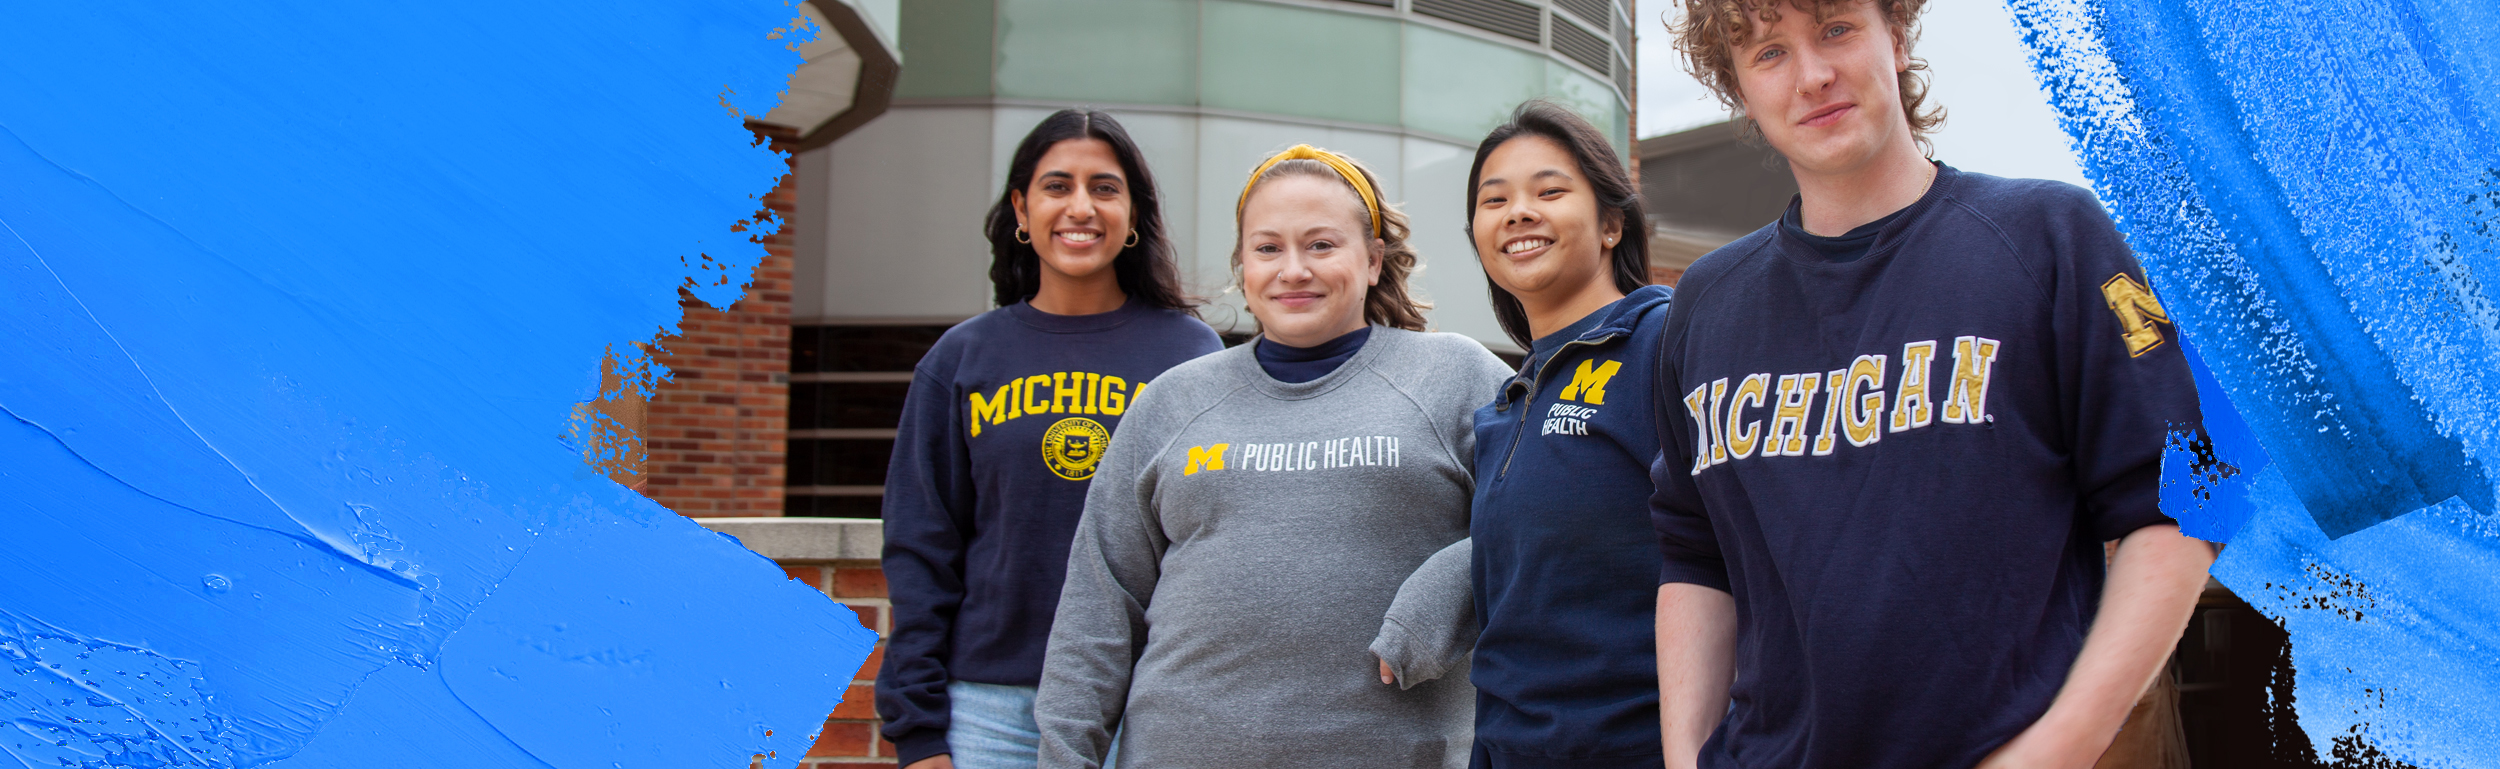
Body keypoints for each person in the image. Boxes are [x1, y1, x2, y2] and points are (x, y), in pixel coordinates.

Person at [1649, 2, 2217, 769]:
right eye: (1769, 53)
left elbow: (2188, 499)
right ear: (1741, 89)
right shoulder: (1705, 304)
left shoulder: (2052, 236)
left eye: (1836, 30)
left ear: (1900, 38)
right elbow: (1694, 554)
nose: (1813, 76)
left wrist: (2059, 748)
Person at [1032, 145, 1511, 769]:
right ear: (1242, 266)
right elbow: (1097, 609)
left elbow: (1557, 516)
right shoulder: (1171, 402)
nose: (1293, 270)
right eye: (1267, 248)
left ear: (1371, 262)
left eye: (1320, 245)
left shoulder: (1454, 375)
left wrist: (1446, 597)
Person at [878, 109, 1224, 769]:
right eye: (1057, 185)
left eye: (1104, 187)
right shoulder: (961, 359)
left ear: (1132, 214)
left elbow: (1214, 537)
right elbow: (920, 550)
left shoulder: (1190, 354)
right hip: (990, 708)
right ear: (1021, 207)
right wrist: (918, 730)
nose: (1080, 207)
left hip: (1148, 701)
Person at [1459, 101, 1673, 769]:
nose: (1519, 212)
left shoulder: (1667, 341)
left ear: (1613, 223)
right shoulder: (1504, 406)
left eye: (1549, 191)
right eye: (1496, 200)